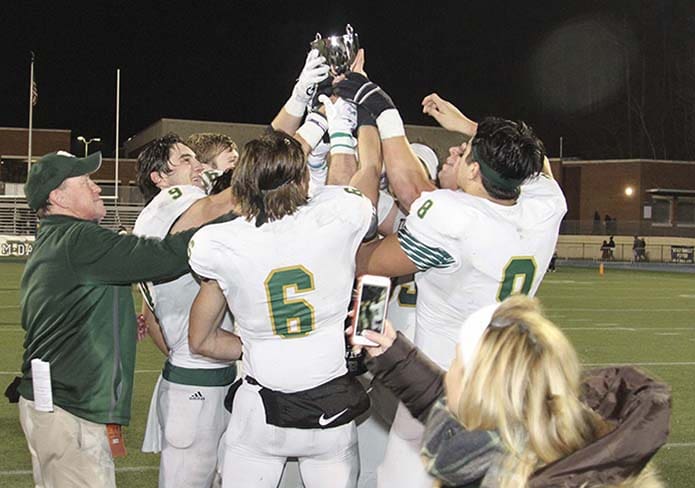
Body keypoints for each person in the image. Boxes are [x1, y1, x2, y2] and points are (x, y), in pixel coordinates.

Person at [335, 75, 566, 487]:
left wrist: (381, 107)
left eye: (465, 152)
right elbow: (537, 164)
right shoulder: (544, 207)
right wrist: (470, 126)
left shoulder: (451, 217)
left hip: (439, 383)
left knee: (400, 479)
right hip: (504, 382)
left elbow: (373, 257)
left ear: (475, 171)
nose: (457, 149)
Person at [187, 130, 377, 488]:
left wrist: (262, 345)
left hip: (260, 412)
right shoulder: (335, 218)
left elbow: (202, 341)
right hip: (330, 410)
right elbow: (346, 189)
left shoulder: (222, 243)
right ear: (303, 179)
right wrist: (337, 132)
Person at [16, 150, 215, 488]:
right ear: (58, 197)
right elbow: (164, 256)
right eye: (86, 182)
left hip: (52, 402)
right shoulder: (79, 238)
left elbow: (58, 310)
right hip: (70, 408)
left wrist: (116, 322)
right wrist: (229, 223)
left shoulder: (56, 238)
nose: (97, 189)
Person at [358, 295, 669, 487]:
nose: (448, 370)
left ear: (479, 390)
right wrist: (393, 353)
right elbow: (448, 403)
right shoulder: (542, 434)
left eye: (456, 362)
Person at [133, 134, 237, 487]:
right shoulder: (174, 201)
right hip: (199, 382)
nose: (198, 166)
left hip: (196, 375)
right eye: (186, 159)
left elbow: (151, 319)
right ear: (160, 179)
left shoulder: (157, 220)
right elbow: (213, 207)